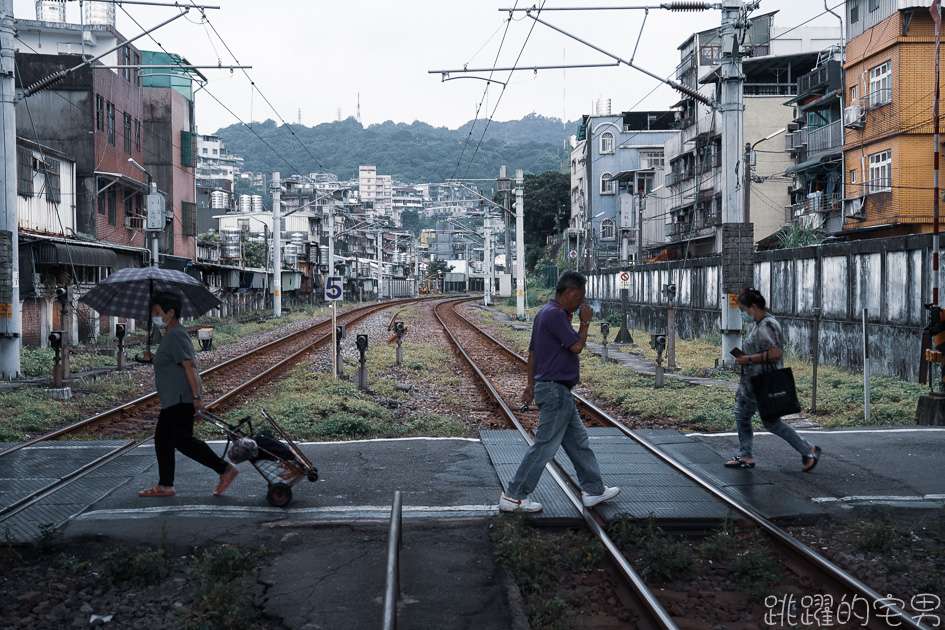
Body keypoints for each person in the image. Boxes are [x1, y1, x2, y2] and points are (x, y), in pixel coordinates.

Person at [499, 271, 620, 513]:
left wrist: (530, 385)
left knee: (578, 443)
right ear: (568, 292)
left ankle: (593, 490)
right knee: (544, 447)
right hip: (555, 391)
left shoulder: (544, 312)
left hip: (556, 390)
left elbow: (532, 352)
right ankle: (514, 495)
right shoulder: (556, 314)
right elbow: (576, 346)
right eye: (580, 296)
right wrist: (585, 322)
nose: (582, 302)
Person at [137, 291, 239, 497]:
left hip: (181, 398)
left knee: (183, 441)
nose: (154, 316)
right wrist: (153, 358)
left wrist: (197, 398)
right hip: (173, 399)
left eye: (157, 311)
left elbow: (190, 366)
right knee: (163, 439)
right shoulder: (170, 334)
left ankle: (225, 469)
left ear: (171, 312)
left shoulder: (176, 334)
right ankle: (165, 485)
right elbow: (172, 361)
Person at [725, 287, 822, 472]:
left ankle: (809, 450)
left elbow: (775, 353)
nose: (742, 314)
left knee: (770, 422)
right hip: (752, 384)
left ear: (753, 307)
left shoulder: (768, 325)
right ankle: (746, 455)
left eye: (743, 310)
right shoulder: (758, 323)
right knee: (743, 415)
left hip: (763, 383)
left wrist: (749, 359)